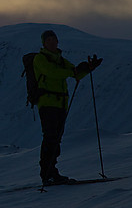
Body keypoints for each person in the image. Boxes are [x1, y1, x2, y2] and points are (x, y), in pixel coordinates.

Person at [33, 29, 102, 185]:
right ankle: (47, 174)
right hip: (48, 103)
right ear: (44, 43)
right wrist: (75, 70)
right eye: (48, 40)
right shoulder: (40, 59)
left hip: (60, 104)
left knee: (55, 139)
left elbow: (75, 74)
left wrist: (88, 69)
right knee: (51, 138)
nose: (52, 42)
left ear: (57, 42)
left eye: (53, 39)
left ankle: (51, 172)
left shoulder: (61, 60)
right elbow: (53, 73)